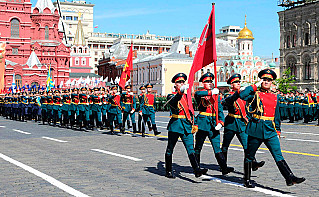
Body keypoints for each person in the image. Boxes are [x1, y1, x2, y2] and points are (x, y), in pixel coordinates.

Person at [239, 69, 305, 188]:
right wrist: (254, 86)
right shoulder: (255, 94)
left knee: (278, 155)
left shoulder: (275, 97)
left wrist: (278, 129)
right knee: (249, 155)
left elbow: (277, 115)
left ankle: (289, 178)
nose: (266, 82)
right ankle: (247, 179)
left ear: (272, 82)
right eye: (264, 79)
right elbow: (242, 95)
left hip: (270, 130)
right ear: (261, 81)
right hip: (256, 128)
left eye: (269, 80)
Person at [165, 73, 207, 178]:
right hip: (176, 125)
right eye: (179, 82)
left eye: (183, 82)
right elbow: (174, 101)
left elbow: (191, 111)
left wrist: (194, 123)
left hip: (187, 125)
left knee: (190, 148)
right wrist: (180, 92)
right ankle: (168, 170)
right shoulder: (172, 96)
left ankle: (196, 170)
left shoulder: (187, 97)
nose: (181, 84)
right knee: (170, 148)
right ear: (175, 85)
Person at [222, 74, 264, 171]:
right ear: (231, 85)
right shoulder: (229, 95)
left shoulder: (243, 95)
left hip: (242, 123)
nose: (238, 84)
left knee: (247, 145)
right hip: (231, 123)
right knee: (225, 145)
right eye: (236, 82)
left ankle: (253, 162)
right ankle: (223, 165)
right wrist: (238, 92)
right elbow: (231, 99)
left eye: (239, 82)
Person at [193, 73, 234, 175]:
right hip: (202, 123)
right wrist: (210, 92)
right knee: (198, 147)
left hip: (213, 124)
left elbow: (220, 110)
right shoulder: (200, 93)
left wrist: (221, 122)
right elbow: (197, 95)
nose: (209, 83)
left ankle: (223, 168)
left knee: (217, 147)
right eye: (207, 82)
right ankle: (197, 168)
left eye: (211, 81)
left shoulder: (217, 97)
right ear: (203, 83)